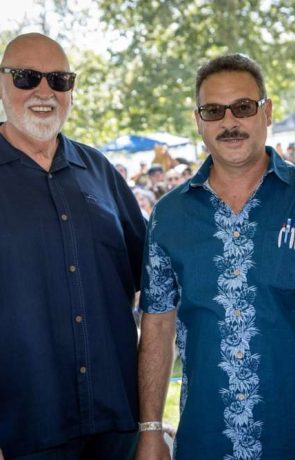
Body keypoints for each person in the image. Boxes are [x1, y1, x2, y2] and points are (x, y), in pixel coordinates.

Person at [137, 53, 295, 460]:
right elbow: (157, 326)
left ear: (267, 111)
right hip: (206, 442)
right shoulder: (168, 216)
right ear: (198, 121)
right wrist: (152, 429)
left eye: (243, 107)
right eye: (213, 111)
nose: (229, 122)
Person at [0, 33, 146, 459]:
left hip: (116, 424)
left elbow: (152, 277)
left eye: (59, 80)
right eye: (27, 77)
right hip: (23, 431)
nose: (44, 91)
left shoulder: (99, 170)